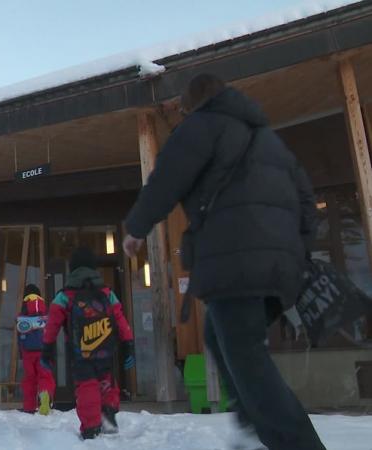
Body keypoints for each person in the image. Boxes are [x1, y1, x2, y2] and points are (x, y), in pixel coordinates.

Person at [122, 74, 325, 450]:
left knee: (247, 357)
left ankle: (295, 443)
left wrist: (137, 227)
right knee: (219, 334)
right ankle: (250, 421)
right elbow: (308, 203)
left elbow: (167, 178)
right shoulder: (270, 141)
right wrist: (295, 250)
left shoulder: (201, 127)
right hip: (280, 269)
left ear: (194, 103)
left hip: (237, 264)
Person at [41, 247, 135, 440]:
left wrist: (47, 349)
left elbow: (52, 325)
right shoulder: (107, 292)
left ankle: (91, 426)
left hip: (80, 352)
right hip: (105, 349)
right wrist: (128, 345)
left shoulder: (65, 295)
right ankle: (108, 411)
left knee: (87, 386)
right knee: (106, 380)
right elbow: (120, 320)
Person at [16, 284, 56, 415]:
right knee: (45, 376)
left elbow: (20, 331)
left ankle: (29, 407)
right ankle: (45, 394)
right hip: (43, 350)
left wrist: (21, 352)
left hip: (27, 352)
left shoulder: (23, 308)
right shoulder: (44, 308)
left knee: (29, 379)